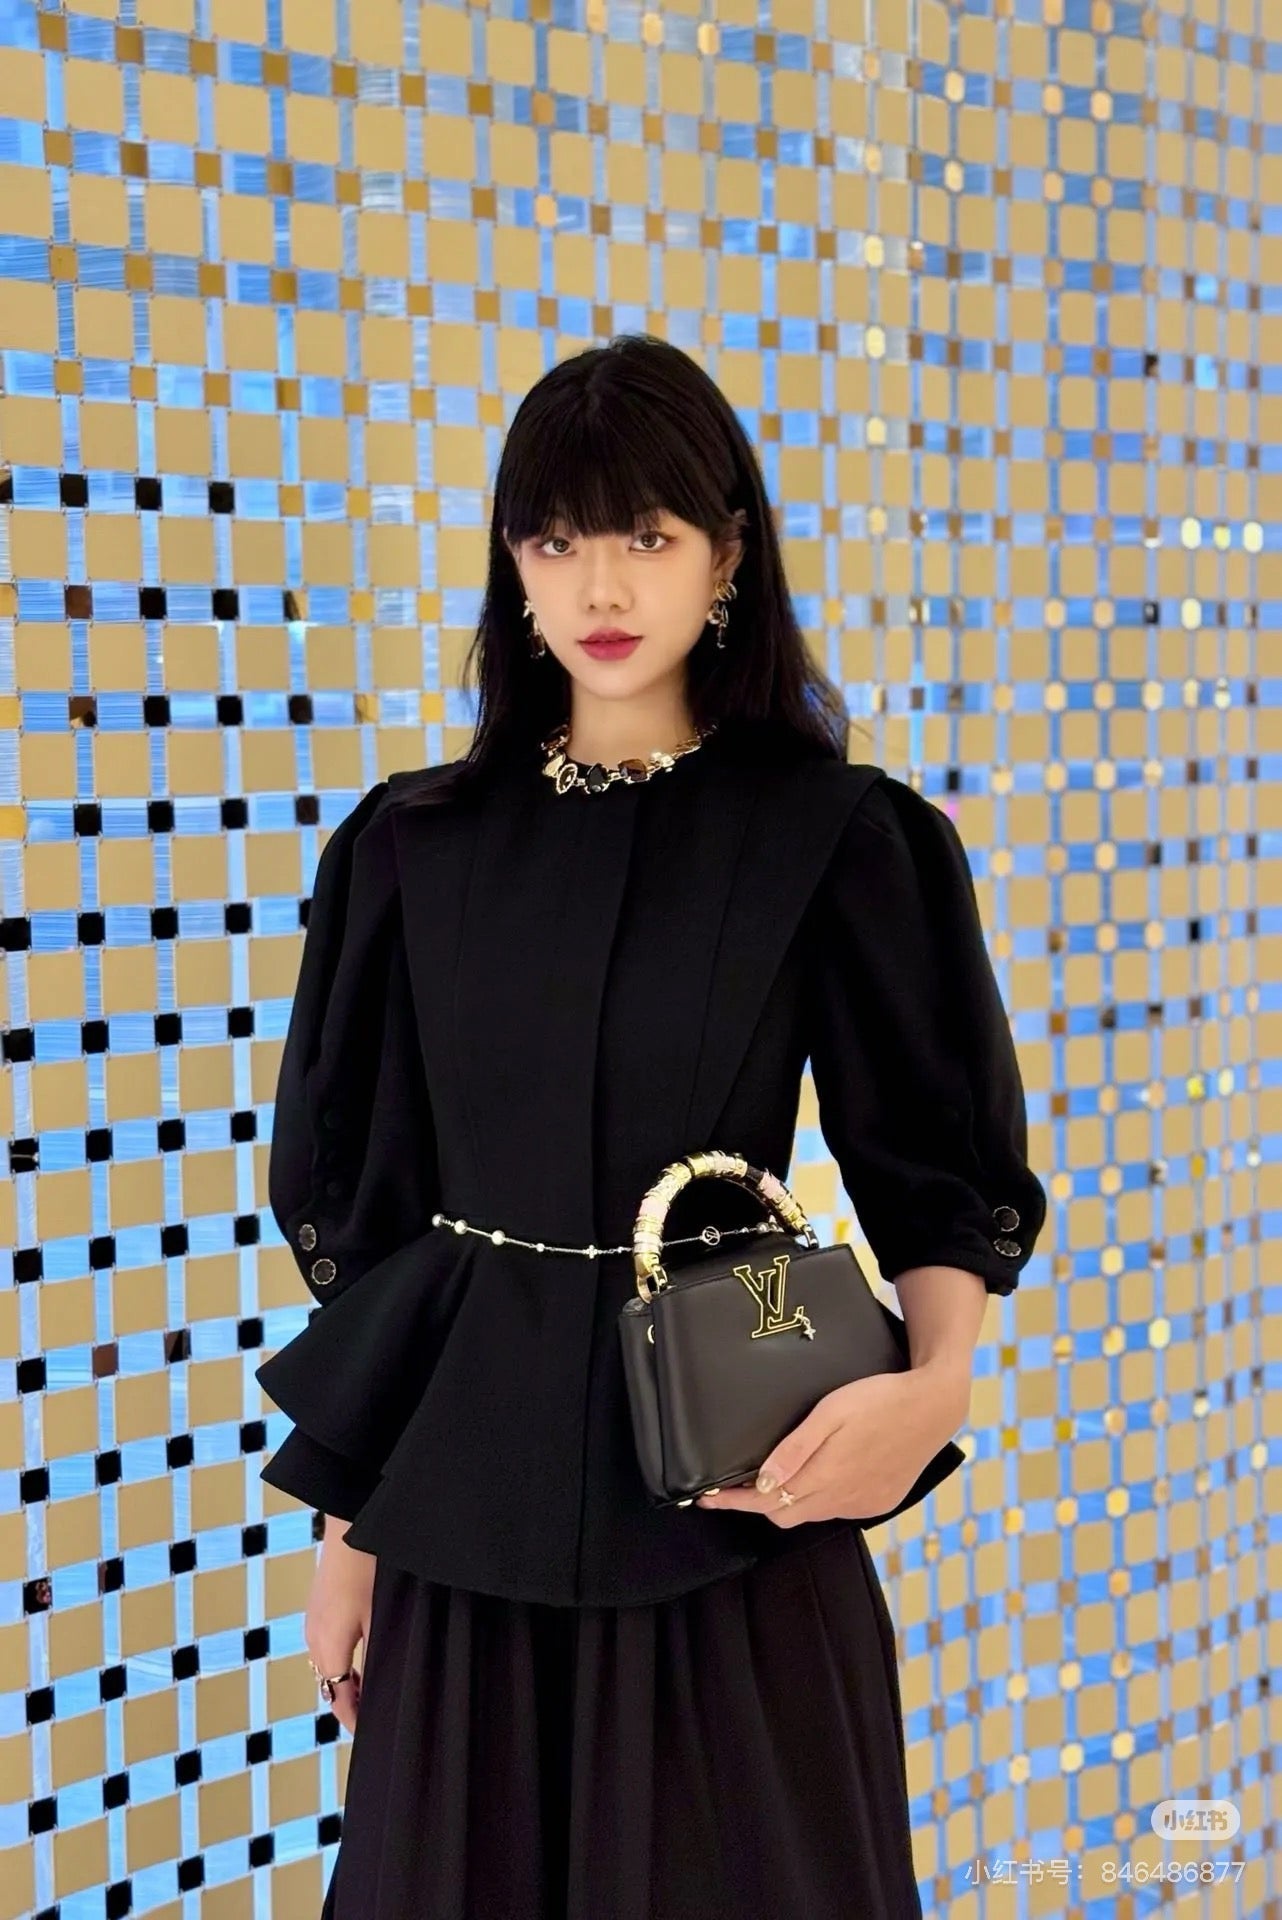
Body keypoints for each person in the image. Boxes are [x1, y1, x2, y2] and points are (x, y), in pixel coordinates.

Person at [255, 333, 1047, 1919]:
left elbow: (932, 1166)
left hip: (726, 1493)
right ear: (511, 565)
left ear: (726, 557)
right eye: (556, 541)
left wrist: (936, 1382)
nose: (600, 584)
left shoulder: (837, 835)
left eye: (647, 535)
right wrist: (350, 1526)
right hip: (462, 1520)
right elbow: (384, 1229)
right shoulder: (412, 847)